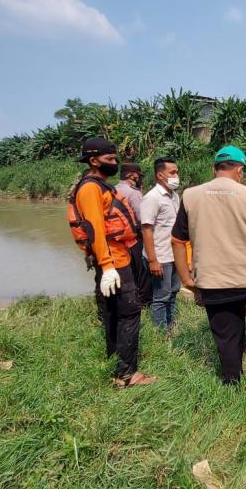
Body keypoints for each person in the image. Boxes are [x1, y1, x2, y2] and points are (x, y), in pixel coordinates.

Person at [170, 145, 246, 385]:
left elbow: (178, 241)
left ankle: (232, 381)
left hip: (213, 282)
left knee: (227, 336)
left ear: (215, 169)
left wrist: (186, 279)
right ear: (240, 171)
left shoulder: (190, 195)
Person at [68, 138, 155, 388]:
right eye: (109, 159)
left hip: (117, 260)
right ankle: (128, 375)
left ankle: (116, 366)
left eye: (115, 159)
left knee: (114, 314)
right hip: (113, 263)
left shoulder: (100, 186)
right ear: (94, 161)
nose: (115, 163)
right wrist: (107, 267)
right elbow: (94, 228)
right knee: (129, 314)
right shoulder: (90, 189)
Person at [140, 157, 182, 329]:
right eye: (172, 172)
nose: (176, 175)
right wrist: (152, 260)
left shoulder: (174, 196)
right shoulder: (152, 198)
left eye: (177, 171)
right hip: (160, 256)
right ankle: (161, 333)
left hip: (173, 254)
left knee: (173, 293)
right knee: (161, 297)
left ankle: (171, 325)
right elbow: (146, 230)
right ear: (160, 175)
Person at [115, 162, 150, 306]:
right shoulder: (133, 193)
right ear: (131, 176)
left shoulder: (113, 189)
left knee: (125, 270)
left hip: (116, 237)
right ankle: (144, 301)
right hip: (134, 237)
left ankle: (126, 298)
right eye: (139, 176)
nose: (140, 179)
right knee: (141, 271)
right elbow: (142, 218)